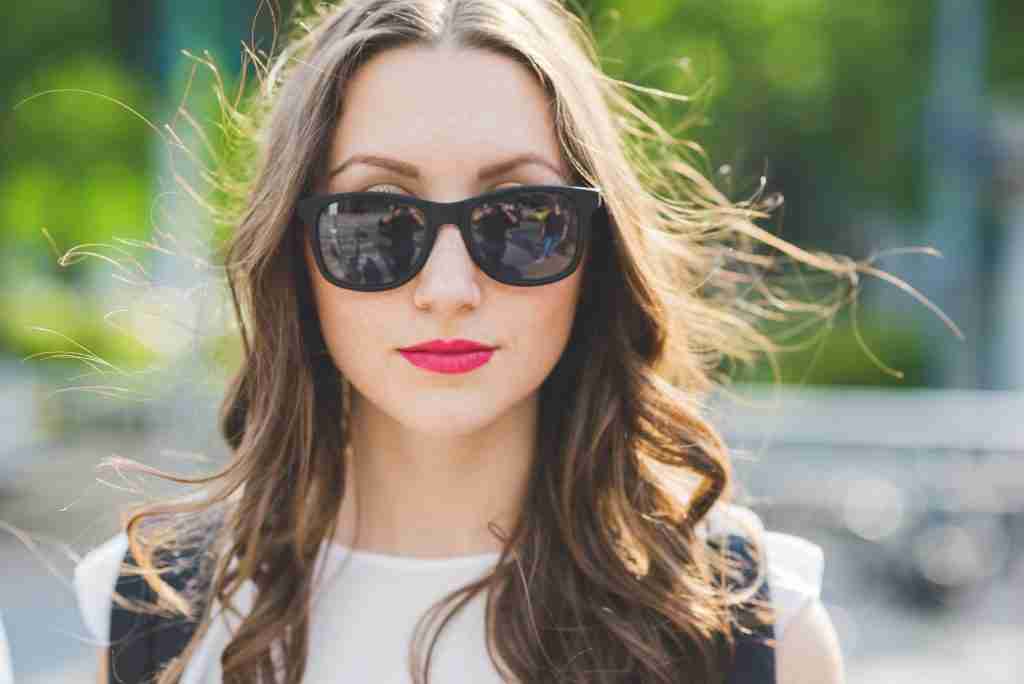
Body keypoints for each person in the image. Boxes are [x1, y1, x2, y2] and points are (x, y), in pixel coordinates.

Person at [73, 1, 847, 682]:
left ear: (597, 254)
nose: (449, 290)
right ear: (296, 256)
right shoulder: (158, 615)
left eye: (521, 218)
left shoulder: (752, 627)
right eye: (377, 220)